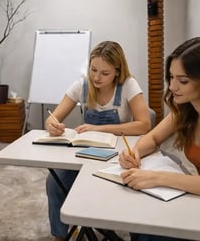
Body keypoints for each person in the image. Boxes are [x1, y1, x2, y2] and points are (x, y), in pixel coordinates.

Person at [119, 37, 200, 241]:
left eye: (183, 81)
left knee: (155, 234)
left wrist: (159, 177)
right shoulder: (187, 109)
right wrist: (134, 152)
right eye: (171, 77)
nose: (172, 87)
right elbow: (152, 137)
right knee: (145, 223)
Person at [45, 40, 151, 241]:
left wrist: (100, 128)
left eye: (105, 73)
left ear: (117, 72)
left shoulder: (129, 85)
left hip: (118, 156)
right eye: (93, 69)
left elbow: (144, 125)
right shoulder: (82, 85)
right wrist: (52, 124)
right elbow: (52, 117)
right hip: (85, 154)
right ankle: (61, 236)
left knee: (136, 188)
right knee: (54, 182)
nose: (96, 77)